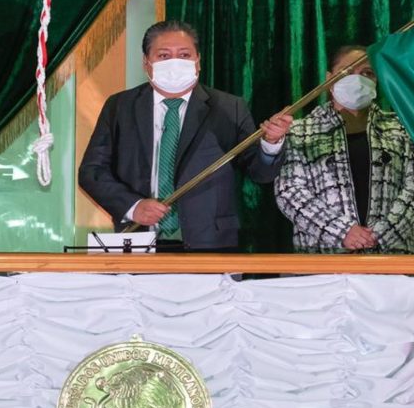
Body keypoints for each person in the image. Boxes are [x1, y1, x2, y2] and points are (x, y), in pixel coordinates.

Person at [78, 20, 292, 250]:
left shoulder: (229, 107)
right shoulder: (120, 106)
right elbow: (92, 172)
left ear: (197, 61)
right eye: (164, 56)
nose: (175, 63)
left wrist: (270, 143)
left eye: (184, 55)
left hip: (211, 245)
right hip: (138, 242)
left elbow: (260, 173)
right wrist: (133, 206)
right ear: (146, 63)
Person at [275, 45, 414, 253]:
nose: (358, 80)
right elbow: (289, 191)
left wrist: (380, 234)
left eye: (367, 73)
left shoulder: (402, 128)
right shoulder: (298, 131)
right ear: (329, 79)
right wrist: (342, 232)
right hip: (323, 258)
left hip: (391, 256)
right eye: (347, 72)